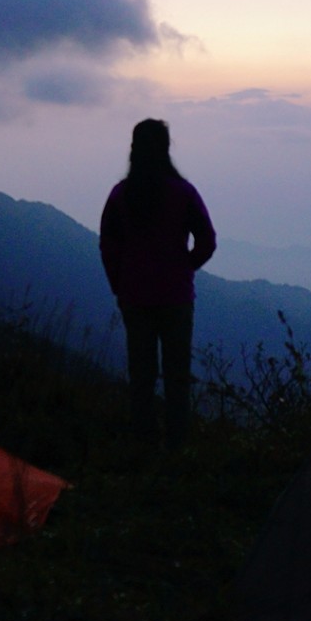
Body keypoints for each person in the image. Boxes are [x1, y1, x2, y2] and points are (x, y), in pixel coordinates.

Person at [98, 118, 216, 447]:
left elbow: (108, 243)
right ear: (166, 149)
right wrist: (185, 268)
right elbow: (207, 240)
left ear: (134, 149)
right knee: (177, 379)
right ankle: (177, 449)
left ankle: (143, 448)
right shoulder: (183, 193)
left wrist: (118, 284)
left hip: (135, 296)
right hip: (176, 297)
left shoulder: (122, 195)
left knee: (142, 378)